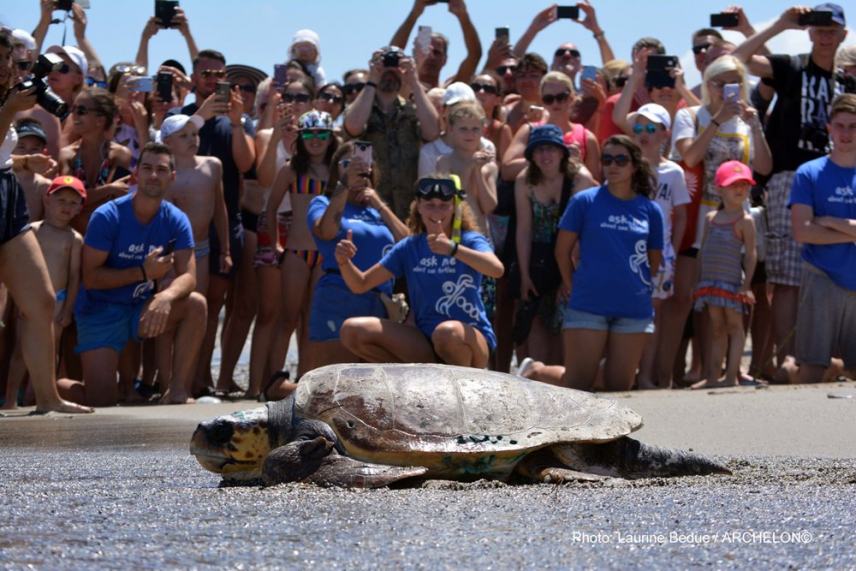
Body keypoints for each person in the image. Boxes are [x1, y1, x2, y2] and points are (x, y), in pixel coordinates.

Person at [733, 3, 848, 370]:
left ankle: (835, 357)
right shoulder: (792, 66)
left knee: (839, 267)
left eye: (833, 28)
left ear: (844, 34)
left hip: (839, 174)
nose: (826, 34)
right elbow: (737, 60)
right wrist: (781, 24)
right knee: (786, 278)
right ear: (809, 31)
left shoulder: (849, 80)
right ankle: (788, 360)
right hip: (788, 175)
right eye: (819, 27)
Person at [63, 142, 207, 406]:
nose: (154, 175)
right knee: (101, 401)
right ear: (136, 174)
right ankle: (48, 387)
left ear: (171, 177)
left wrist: (167, 296)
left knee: (196, 304)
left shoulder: (177, 219)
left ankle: (176, 390)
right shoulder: (107, 216)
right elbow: (91, 278)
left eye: (161, 170)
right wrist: (142, 272)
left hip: (140, 308)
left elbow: (188, 276)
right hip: (100, 310)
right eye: (147, 168)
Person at [0, 29, 90, 413]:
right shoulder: (8, 102)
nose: (7, 66)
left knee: (40, 301)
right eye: (4, 58)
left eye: (9, 58)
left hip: (7, 190)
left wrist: (22, 162)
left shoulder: (9, 93)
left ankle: (48, 398)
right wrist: (8, 111)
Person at [337, 175, 503, 368]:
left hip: (469, 338)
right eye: (430, 205)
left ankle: (463, 386)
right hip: (425, 339)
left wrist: (452, 249)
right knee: (352, 330)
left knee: (447, 333)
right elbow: (360, 284)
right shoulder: (410, 246)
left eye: (443, 205)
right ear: (418, 206)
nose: (437, 210)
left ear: (455, 207)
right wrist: (344, 262)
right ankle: (414, 377)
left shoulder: (469, 240)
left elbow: (496, 269)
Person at [171, 49, 256, 395]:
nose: (213, 80)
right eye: (206, 74)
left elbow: (247, 163)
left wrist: (236, 121)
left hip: (225, 223)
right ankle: (181, 378)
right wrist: (200, 117)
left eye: (219, 75)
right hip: (182, 228)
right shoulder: (182, 119)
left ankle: (202, 377)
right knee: (187, 303)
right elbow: (166, 151)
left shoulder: (237, 122)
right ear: (193, 79)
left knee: (214, 305)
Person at [554, 135, 664, 391]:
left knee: (619, 388)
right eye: (607, 159)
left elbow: (654, 261)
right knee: (577, 386)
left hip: (633, 308)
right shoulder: (585, 201)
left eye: (621, 160)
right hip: (589, 304)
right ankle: (536, 371)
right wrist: (572, 284)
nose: (612, 166)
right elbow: (562, 251)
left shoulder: (650, 210)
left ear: (634, 166)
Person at [306, 142, 409, 370]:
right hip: (339, 296)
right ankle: (277, 388)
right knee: (333, 383)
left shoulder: (377, 210)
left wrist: (378, 203)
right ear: (336, 171)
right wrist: (345, 185)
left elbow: (409, 245)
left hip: (379, 300)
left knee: (373, 385)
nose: (355, 168)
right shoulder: (322, 203)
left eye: (363, 164)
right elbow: (326, 231)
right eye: (347, 164)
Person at [254, 110, 337, 381]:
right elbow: (270, 210)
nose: (316, 139)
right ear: (301, 137)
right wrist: (276, 245)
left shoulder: (337, 170)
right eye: (310, 133)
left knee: (313, 323)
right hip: (297, 252)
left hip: (325, 255)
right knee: (288, 318)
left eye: (321, 133)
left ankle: (307, 380)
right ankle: (275, 379)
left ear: (330, 136)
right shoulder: (290, 169)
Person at [513, 124, 596, 367]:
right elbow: (524, 229)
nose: (545, 156)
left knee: (565, 322)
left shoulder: (580, 178)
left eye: (550, 149)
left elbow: (583, 231)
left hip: (574, 253)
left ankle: (565, 380)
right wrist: (525, 275)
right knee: (536, 320)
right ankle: (538, 381)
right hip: (538, 257)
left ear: (562, 152)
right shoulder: (525, 179)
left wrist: (567, 276)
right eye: (538, 150)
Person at [789, 93, 856, 383]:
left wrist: (830, 221)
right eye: (840, 125)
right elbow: (803, 231)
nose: (846, 133)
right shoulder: (809, 173)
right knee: (812, 368)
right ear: (829, 127)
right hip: (821, 278)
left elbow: (815, 227)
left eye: (854, 126)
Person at [4, 175, 84, 409]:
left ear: (80, 207)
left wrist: (68, 309)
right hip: (29, 299)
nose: (66, 206)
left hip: (58, 301)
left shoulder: (74, 238)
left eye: (73, 202)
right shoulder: (33, 231)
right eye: (61, 200)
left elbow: (74, 277)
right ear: (47, 200)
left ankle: (38, 397)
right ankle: (9, 400)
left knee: (50, 352)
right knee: (20, 352)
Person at [626, 104, 689, 390]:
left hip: (660, 254)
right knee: (631, 314)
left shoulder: (673, 172)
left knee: (654, 316)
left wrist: (670, 251)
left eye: (651, 128)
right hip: (628, 251)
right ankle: (630, 373)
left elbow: (682, 214)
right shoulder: (625, 165)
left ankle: (646, 375)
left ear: (664, 133)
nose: (643, 134)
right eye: (638, 128)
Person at [343, 46, 439, 220]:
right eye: (385, 63)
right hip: (370, 210)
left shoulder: (413, 110)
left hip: (409, 211)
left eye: (395, 64)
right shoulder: (362, 108)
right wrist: (372, 79)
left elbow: (432, 132)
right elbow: (354, 126)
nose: (390, 70)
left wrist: (414, 81)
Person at [692, 161, 757, 389]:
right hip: (710, 282)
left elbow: (751, 255)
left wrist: (746, 284)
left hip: (731, 283)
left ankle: (731, 376)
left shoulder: (745, 221)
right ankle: (712, 376)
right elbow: (704, 251)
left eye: (744, 185)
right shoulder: (711, 218)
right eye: (733, 185)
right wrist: (698, 280)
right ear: (719, 188)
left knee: (735, 327)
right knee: (716, 328)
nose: (740, 189)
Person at [160, 114, 231, 295]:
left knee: (198, 301)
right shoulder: (163, 175)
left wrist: (225, 250)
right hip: (171, 251)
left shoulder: (212, 166)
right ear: (168, 142)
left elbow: (219, 209)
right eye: (183, 136)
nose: (192, 139)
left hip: (202, 247)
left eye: (194, 134)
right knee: (172, 303)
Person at [59, 88, 132, 234]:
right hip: (72, 235)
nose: (74, 115)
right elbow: (69, 201)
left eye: (81, 111)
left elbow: (110, 204)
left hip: (105, 235)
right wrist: (109, 189)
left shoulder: (121, 154)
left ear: (100, 120)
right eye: (73, 109)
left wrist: (88, 198)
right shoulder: (67, 154)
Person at [503, 71, 601, 181]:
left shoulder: (586, 137)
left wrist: (579, 165)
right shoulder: (529, 130)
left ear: (572, 97)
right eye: (549, 99)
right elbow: (507, 170)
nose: (555, 103)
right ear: (542, 101)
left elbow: (596, 186)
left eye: (561, 97)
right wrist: (547, 159)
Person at [512, 3, 615, 88]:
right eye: (559, 53)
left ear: (581, 68)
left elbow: (614, 72)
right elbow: (511, 66)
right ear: (550, 67)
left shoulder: (588, 95)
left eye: (574, 54)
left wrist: (596, 30)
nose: (567, 55)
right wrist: (533, 29)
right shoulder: (538, 95)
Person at [435, 100, 498, 236]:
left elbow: (488, 208)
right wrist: (469, 166)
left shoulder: (489, 166)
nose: (470, 134)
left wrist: (478, 171)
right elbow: (451, 199)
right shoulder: (444, 162)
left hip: (480, 234)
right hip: (453, 234)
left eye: (475, 129)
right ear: (451, 129)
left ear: (483, 129)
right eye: (463, 129)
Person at [389, 0, 482, 89]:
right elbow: (392, 52)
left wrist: (463, 15)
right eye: (426, 51)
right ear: (415, 54)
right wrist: (415, 13)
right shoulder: (402, 86)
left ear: (445, 59)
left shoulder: (449, 92)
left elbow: (475, 55)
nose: (431, 57)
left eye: (437, 53)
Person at [10, 119, 53, 220]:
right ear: (11, 147)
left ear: (43, 152)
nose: (28, 153)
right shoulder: (3, 177)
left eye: (35, 149)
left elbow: (47, 223)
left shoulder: (45, 186)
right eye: (21, 147)